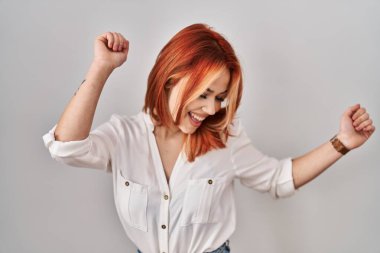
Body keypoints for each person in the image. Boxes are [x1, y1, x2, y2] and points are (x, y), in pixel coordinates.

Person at [42, 24, 375, 253]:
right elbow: (66, 148)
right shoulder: (125, 136)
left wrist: (342, 142)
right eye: (204, 94)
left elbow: (278, 178)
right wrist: (102, 67)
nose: (212, 108)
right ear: (170, 78)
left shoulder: (225, 140)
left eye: (220, 97)